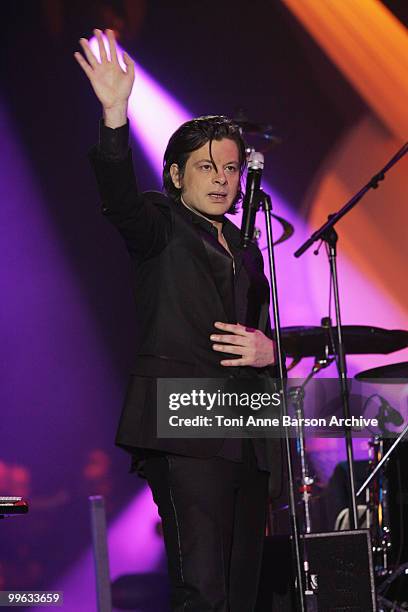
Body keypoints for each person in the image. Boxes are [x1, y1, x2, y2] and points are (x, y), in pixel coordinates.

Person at [75, 28, 281, 612]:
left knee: (245, 589)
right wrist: (116, 111)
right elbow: (117, 197)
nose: (221, 178)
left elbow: (263, 334)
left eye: (231, 168)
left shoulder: (246, 246)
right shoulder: (160, 224)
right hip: (187, 420)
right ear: (175, 175)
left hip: (249, 425)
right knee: (204, 588)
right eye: (206, 167)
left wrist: (272, 352)